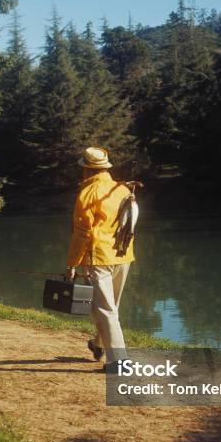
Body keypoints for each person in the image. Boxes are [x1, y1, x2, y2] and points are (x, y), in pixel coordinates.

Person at [66, 147, 135, 371]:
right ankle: (98, 344)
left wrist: (73, 263)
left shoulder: (87, 193)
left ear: (86, 169)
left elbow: (82, 233)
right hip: (124, 256)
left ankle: (119, 362)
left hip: (100, 257)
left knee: (106, 309)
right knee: (110, 307)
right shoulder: (122, 188)